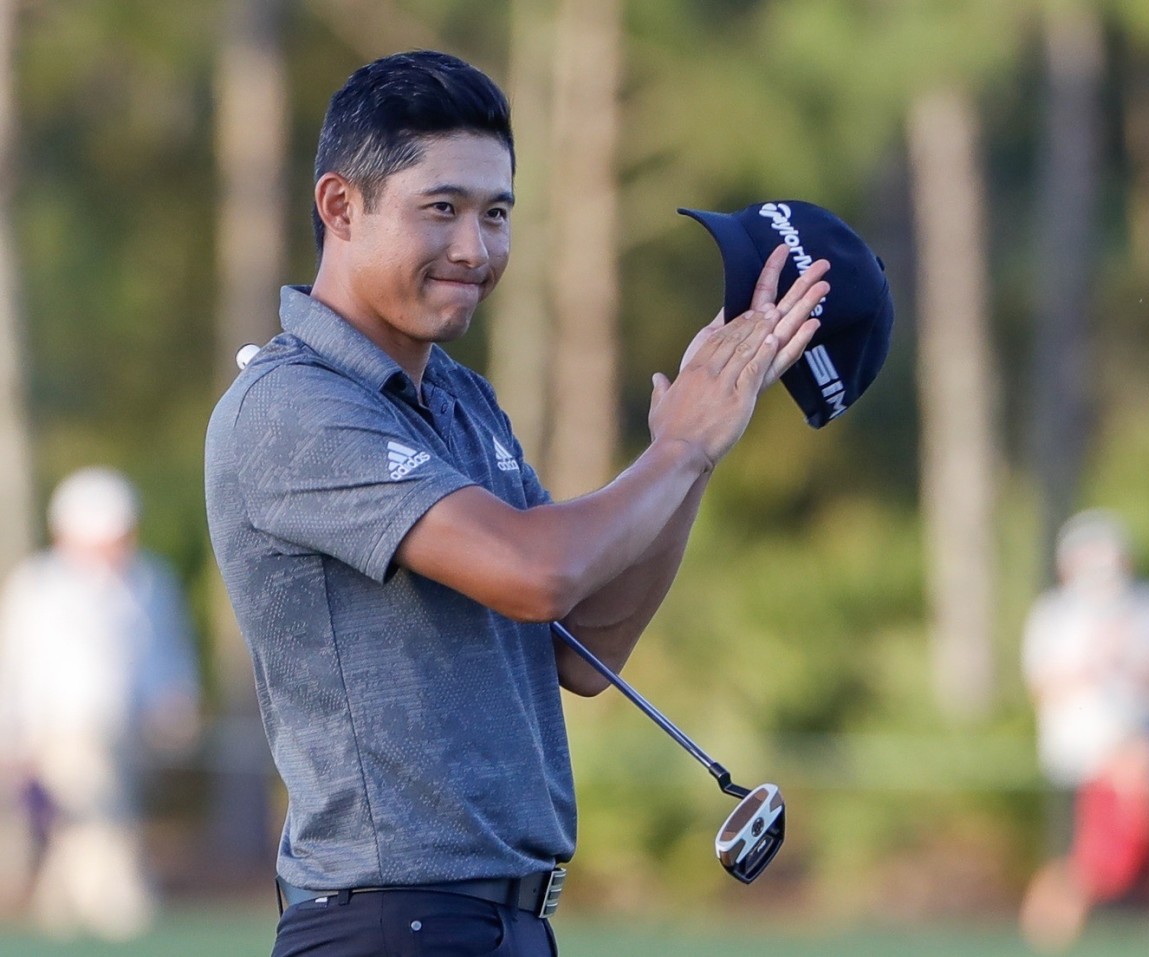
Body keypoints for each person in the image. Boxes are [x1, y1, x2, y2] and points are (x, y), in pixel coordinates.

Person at [204, 50, 834, 957]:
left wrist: (695, 455)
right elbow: (537, 572)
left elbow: (583, 645)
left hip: (499, 926)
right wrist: (678, 447)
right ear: (340, 206)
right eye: (442, 208)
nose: (476, 248)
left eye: (496, 213)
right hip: (388, 927)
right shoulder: (290, 405)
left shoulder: (463, 400)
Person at [0, 466, 200, 941]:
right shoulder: (39, 585)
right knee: (100, 824)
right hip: (59, 733)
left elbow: (165, 656)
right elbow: (15, 668)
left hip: (127, 733)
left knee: (85, 831)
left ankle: (59, 918)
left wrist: (174, 710)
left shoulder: (149, 581)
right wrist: (13, 739)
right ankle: (121, 912)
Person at [1018, 509, 1149, 952]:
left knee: (1128, 870)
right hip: (1088, 760)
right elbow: (1044, 687)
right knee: (1095, 868)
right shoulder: (1055, 616)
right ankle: (1050, 934)